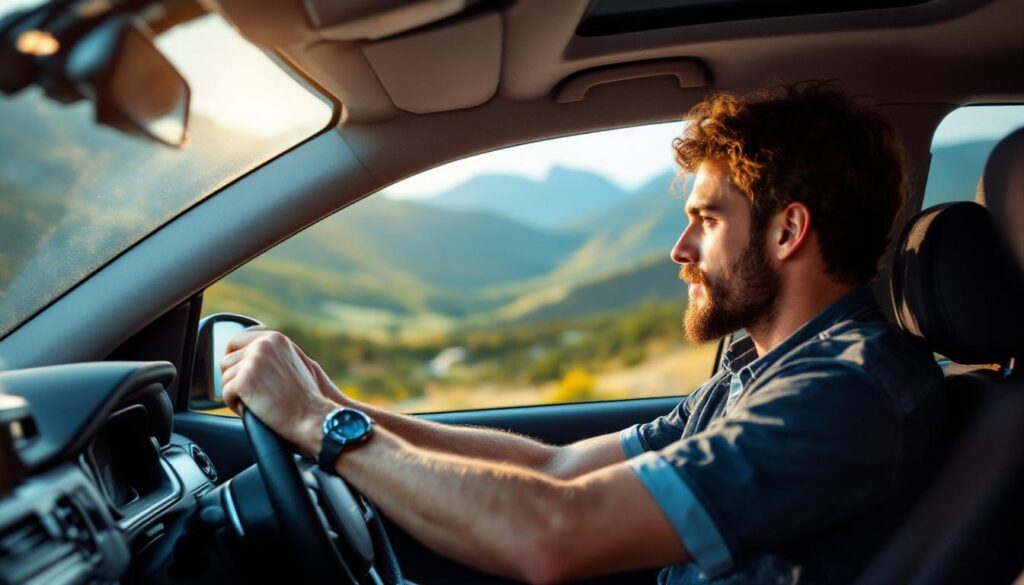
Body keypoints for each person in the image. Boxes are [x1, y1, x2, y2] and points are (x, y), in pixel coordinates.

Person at [219, 82, 945, 584]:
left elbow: (554, 533)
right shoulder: (759, 372)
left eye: (709, 219)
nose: (680, 249)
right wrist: (336, 402)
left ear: (789, 230)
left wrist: (324, 427)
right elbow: (559, 471)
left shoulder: (845, 393)